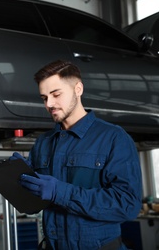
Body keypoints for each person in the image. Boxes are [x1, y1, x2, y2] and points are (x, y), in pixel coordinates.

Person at [11, 60, 142, 249]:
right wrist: (18, 178)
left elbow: (127, 205)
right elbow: (33, 206)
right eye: (44, 97)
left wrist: (60, 192)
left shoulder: (113, 138)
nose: (49, 104)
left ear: (78, 89)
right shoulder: (43, 142)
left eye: (56, 94)